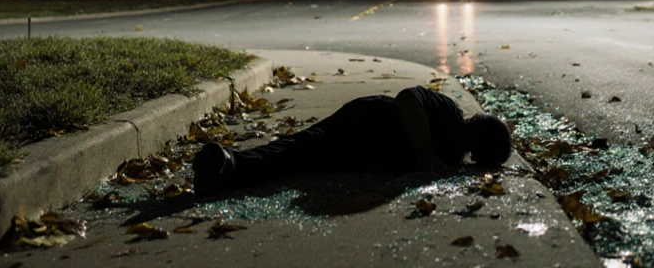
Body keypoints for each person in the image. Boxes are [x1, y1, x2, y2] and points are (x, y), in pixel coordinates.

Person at [193, 85, 512, 196]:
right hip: (371, 120)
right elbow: (408, 98)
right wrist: (423, 152)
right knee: (302, 149)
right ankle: (229, 165)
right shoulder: (450, 112)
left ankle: (229, 169)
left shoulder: (453, 157)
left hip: (366, 149)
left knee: (300, 158)